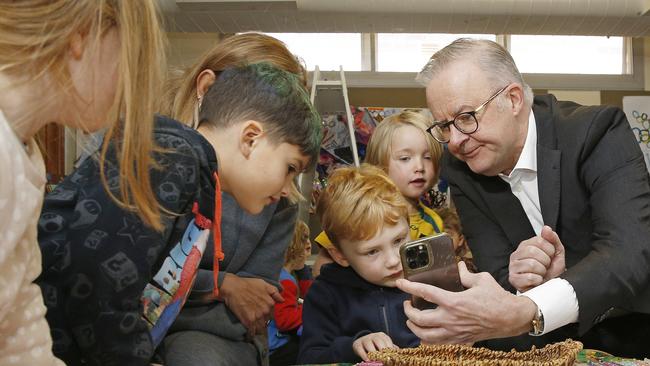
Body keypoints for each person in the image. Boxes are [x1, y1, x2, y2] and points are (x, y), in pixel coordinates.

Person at [37, 63, 322, 365]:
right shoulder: (173, 158)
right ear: (250, 138)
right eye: (290, 168)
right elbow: (99, 278)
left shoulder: (197, 178)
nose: (288, 190)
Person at [395, 38, 650, 357]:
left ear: (513, 99)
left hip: (632, 326)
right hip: (540, 341)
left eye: (465, 117)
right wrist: (520, 284)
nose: (456, 141)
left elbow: (626, 253)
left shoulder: (596, 131)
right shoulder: (461, 166)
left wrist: (531, 305)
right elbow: (498, 276)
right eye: (445, 126)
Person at [0, 1, 166, 364]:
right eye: (130, 63)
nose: (127, 90)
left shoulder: (25, 155)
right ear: (81, 35)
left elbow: (17, 314)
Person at [156, 33, 313, 366]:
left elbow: (255, 305)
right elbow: (134, 281)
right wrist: (224, 286)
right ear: (208, 88)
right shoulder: (157, 166)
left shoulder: (277, 199)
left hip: (217, 342)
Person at [298, 164, 420, 364]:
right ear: (340, 256)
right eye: (372, 251)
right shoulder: (325, 296)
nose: (393, 260)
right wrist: (352, 346)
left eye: (399, 240)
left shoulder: (429, 280)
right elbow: (309, 358)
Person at [313, 110, 445, 272]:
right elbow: (322, 267)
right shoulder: (358, 209)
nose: (419, 167)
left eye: (428, 157)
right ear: (379, 162)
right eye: (405, 158)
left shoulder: (433, 222)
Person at [268, 220, 313, 366]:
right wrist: (309, 310)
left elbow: (309, 294)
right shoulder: (285, 282)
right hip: (276, 347)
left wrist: (303, 272)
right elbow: (284, 320)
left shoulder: (278, 273)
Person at [436, 207, 477, 272]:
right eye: (435, 235)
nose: (441, 241)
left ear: (460, 240)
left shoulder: (468, 266)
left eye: (447, 235)